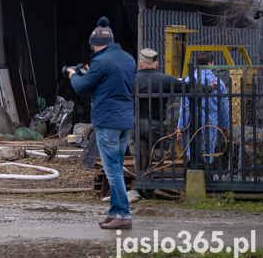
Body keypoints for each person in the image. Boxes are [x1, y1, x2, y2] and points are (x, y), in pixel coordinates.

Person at [67, 16, 136, 230]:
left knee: (112, 168)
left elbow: (81, 87)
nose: (91, 49)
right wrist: (92, 72)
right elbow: (112, 83)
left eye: (92, 45)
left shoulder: (100, 60)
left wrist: (72, 74)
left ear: (97, 44)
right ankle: (114, 212)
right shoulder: (128, 59)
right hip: (125, 120)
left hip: (108, 120)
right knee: (116, 165)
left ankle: (123, 215)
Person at [131, 48, 185, 169]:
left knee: (139, 156)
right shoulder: (165, 79)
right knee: (162, 150)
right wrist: (207, 87)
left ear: (140, 63)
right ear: (157, 64)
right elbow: (187, 87)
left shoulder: (132, 80)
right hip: (155, 124)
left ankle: (142, 180)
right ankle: (156, 166)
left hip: (135, 123)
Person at [176, 51, 230, 174]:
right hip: (211, 121)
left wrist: (181, 127)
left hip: (193, 121)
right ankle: (207, 176)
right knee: (208, 150)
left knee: (193, 148)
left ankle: (193, 174)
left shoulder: (188, 80)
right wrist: (224, 126)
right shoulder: (218, 82)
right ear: (210, 63)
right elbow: (224, 106)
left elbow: (184, 107)